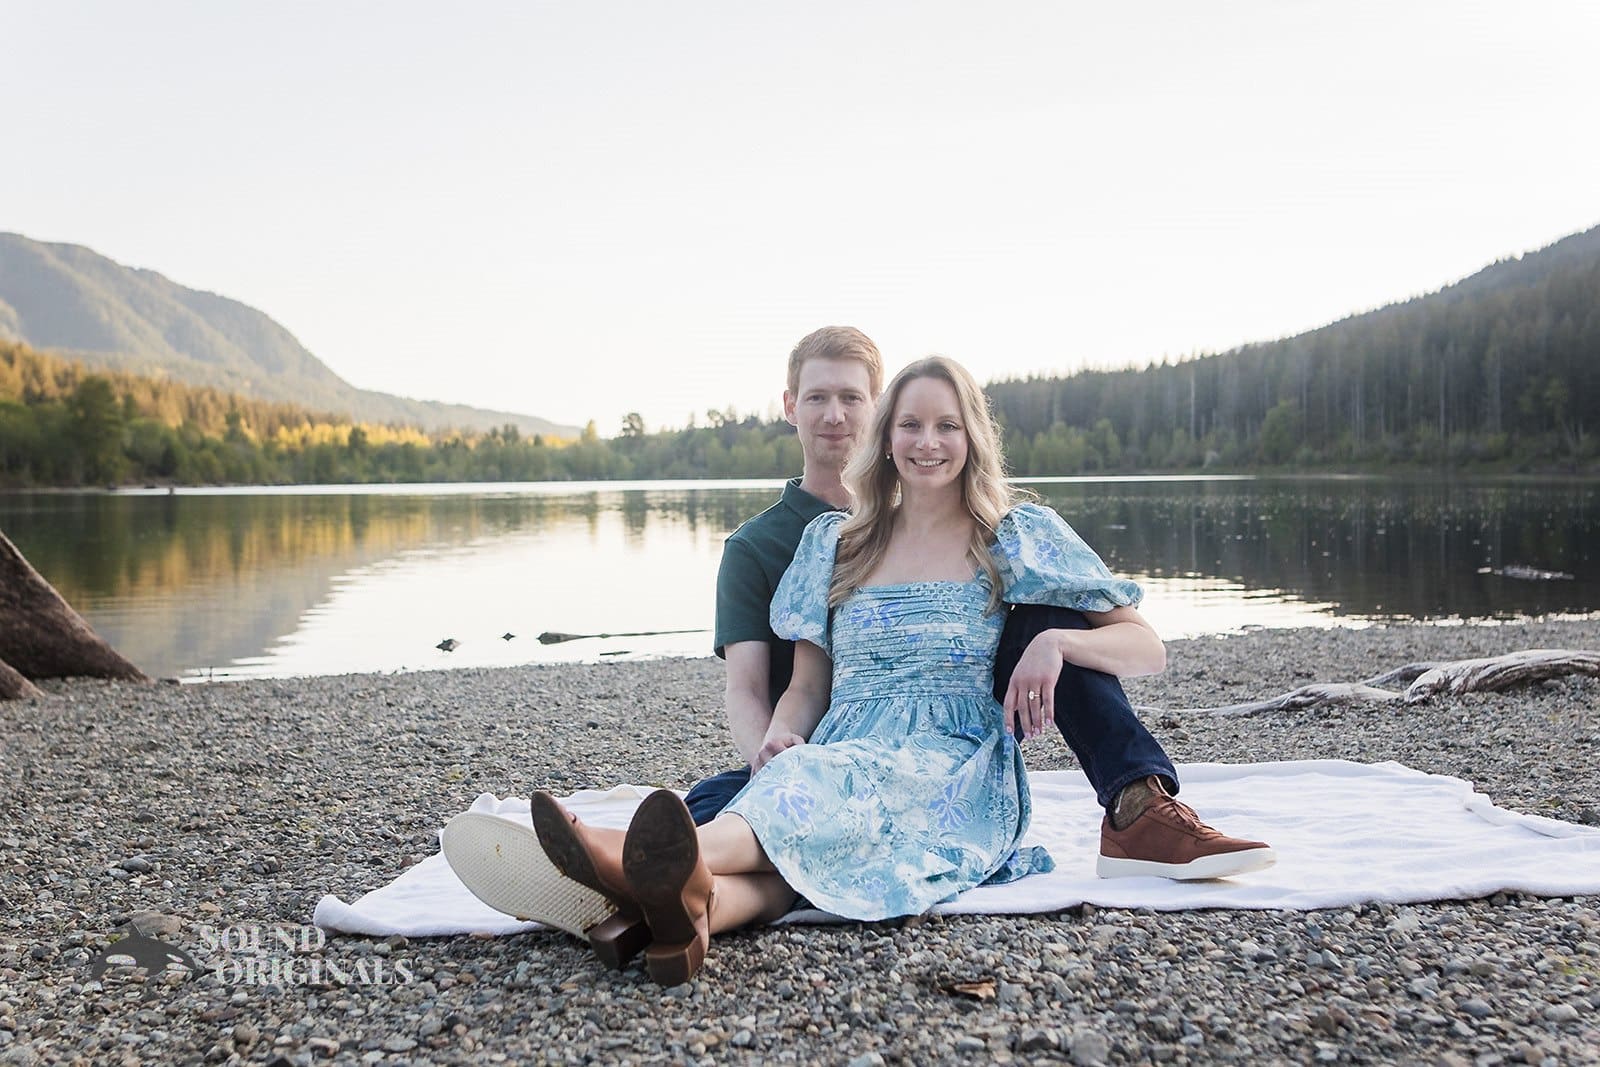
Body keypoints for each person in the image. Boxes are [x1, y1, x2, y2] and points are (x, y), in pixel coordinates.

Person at [448, 356, 1274, 985]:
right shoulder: (835, 543)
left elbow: (1148, 647)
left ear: (971, 436)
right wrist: (780, 735)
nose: (927, 442)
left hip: (956, 764)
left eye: (946, 426)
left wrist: (1061, 643)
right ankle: (686, 913)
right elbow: (807, 684)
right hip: (846, 740)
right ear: (887, 437)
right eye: (911, 425)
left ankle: (629, 859)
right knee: (802, 812)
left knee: (821, 795)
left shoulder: (1017, 535)